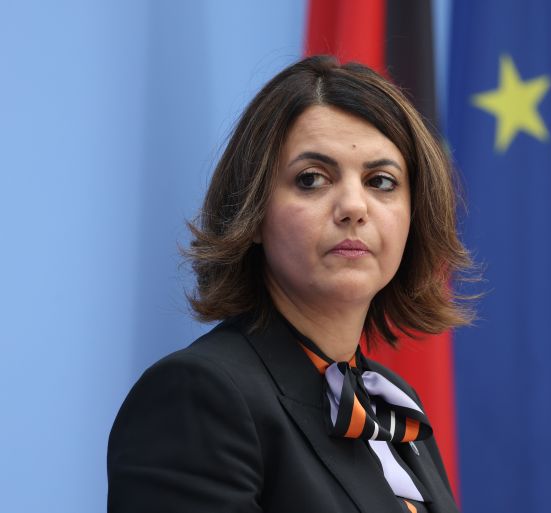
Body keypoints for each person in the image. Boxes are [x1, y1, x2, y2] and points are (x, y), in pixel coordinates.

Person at [107, 55, 475, 513]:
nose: (354, 207)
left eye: (381, 181)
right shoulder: (196, 396)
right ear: (252, 213)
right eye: (311, 179)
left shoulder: (391, 400)